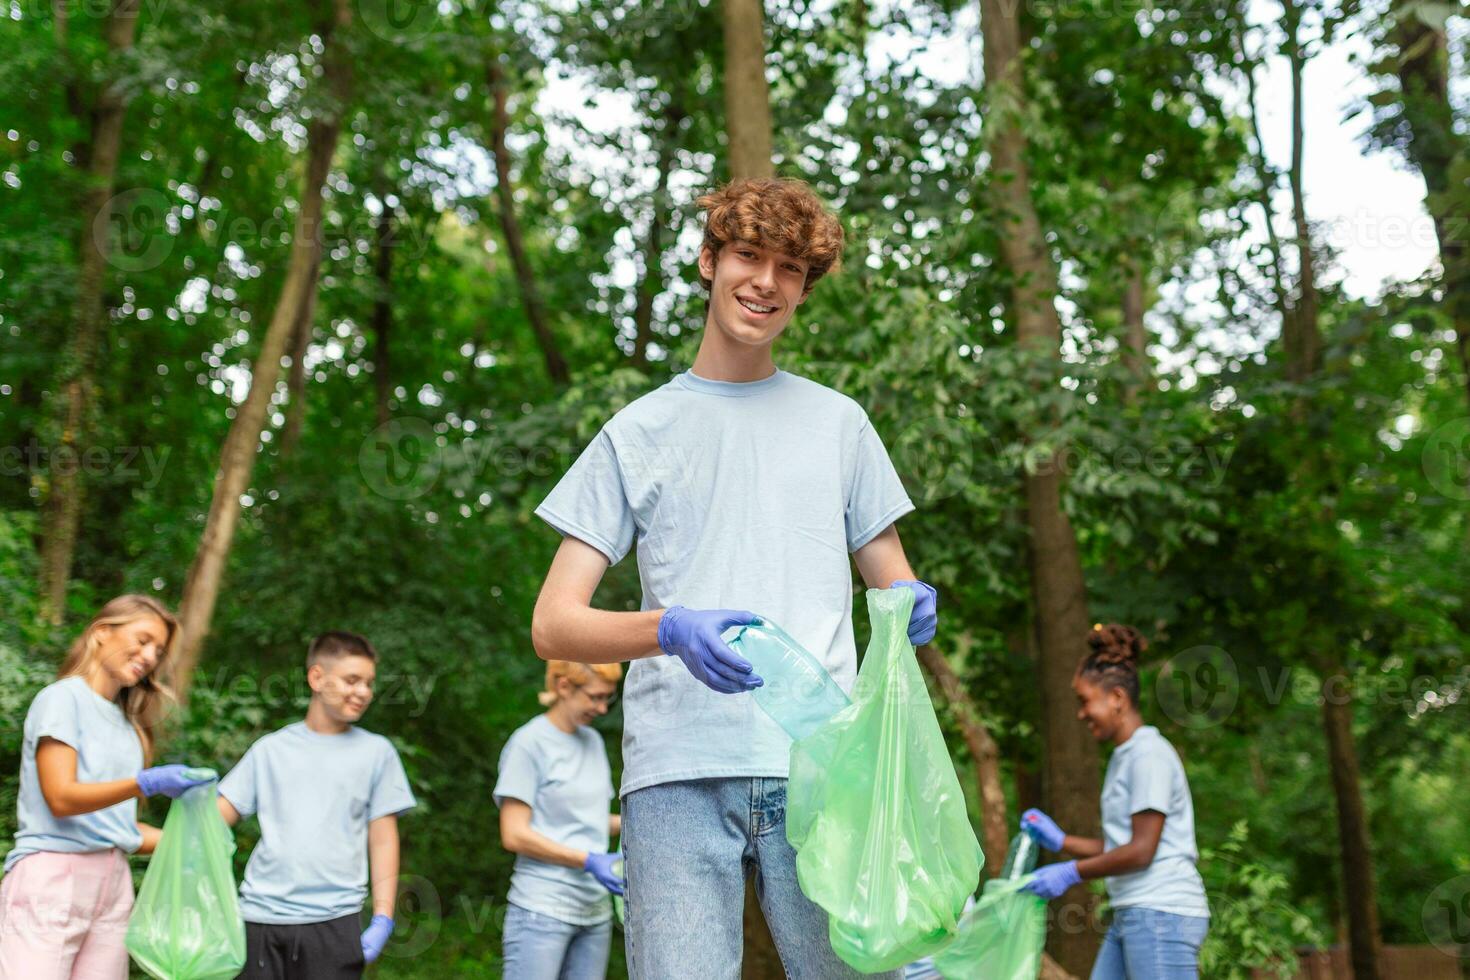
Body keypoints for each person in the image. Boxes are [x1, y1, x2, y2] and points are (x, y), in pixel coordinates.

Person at [530, 176, 939, 979]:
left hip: (824, 769)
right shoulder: (637, 431)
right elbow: (554, 623)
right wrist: (668, 629)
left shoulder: (841, 425)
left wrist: (910, 602)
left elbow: (892, 578)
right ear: (709, 260)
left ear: (804, 288)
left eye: (790, 268)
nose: (766, 282)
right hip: (675, 773)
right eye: (748, 256)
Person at [0, 594, 213, 978]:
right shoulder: (63, 699)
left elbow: (117, 829)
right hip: (54, 877)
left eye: (159, 650)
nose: (150, 656)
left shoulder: (129, 728)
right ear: (101, 633)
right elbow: (61, 798)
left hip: (112, 883)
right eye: (143, 639)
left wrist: (192, 840)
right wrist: (143, 783)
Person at [217, 631, 416, 980]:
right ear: (317, 678)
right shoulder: (270, 750)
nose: (363, 692)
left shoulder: (377, 753)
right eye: (352, 680)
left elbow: (383, 839)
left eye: (369, 683)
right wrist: (187, 803)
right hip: (261, 920)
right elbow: (214, 823)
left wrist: (384, 915)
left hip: (334, 922)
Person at [1019, 624, 1210, 979]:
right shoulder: (1126, 756)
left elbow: (1141, 851)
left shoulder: (1148, 755)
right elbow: (1123, 845)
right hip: (1134, 909)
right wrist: (1063, 842)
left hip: (1162, 911)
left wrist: (1069, 872)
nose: (1080, 713)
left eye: (1084, 701)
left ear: (1117, 699)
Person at [494, 660, 624, 980]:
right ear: (563, 686)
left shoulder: (592, 742)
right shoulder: (529, 743)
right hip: (542, 910)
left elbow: (590, 820)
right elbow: (514, 834)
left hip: (595, 913)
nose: (602, 708)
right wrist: (588, 860)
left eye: (607, 698)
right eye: (595, 697)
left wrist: (639, 822)